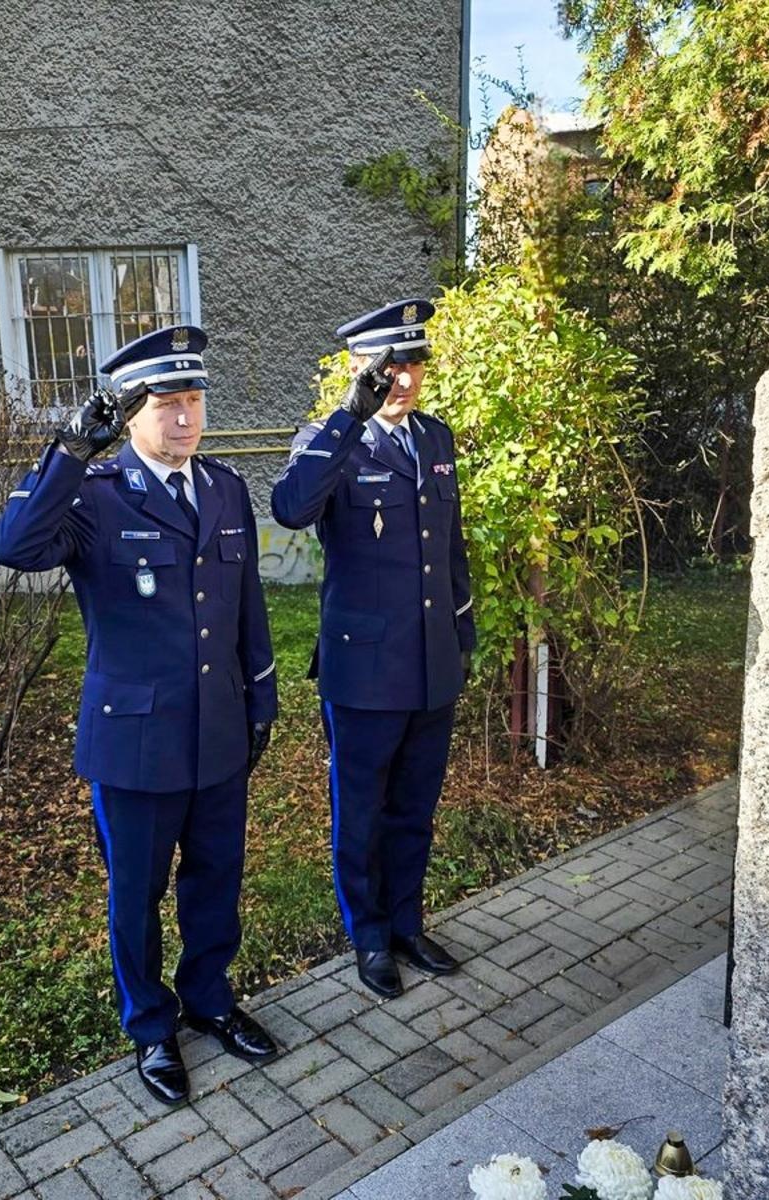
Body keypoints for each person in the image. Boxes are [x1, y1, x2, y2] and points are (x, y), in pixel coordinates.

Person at [0, 325, 280, 1106]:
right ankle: (152, 1026)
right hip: (135, 740)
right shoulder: (93, 494)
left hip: (218, 728)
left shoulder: (223, 489)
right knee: (137, 893)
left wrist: (261, 695)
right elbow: (13, 547)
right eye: (165, 403)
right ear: (129, 412)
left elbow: (246, 601)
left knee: (216, 878)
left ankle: (210, 998)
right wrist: (70, 451)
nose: (185, 418)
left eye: (194, 400)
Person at [270, 298, 475, 998]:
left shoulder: (435, 439)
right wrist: (348, 416)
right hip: (364, 671)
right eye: (393, 365)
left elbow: (451, 552)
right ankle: (367, 937)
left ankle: (407, 924)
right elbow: (291, 508)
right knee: (360, 812)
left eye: (415, 363)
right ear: (362, 367)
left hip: (430, 665)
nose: (407, 378)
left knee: (415, 807)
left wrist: (462, 636)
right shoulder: (330, 439)